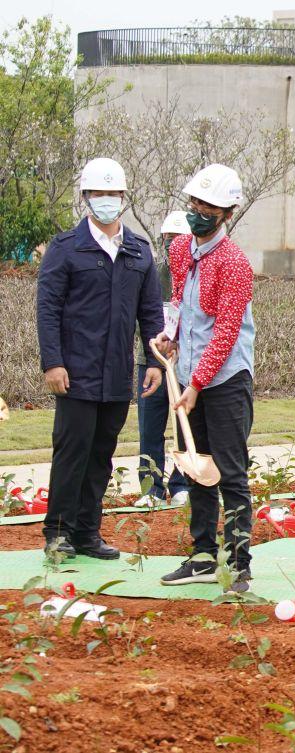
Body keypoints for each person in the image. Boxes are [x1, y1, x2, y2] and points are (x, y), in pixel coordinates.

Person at [37, 157, 164, 559]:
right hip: (74, 372)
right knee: (72, 451)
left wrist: (156, 362)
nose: (106, 200)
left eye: (113, 193)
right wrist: (52, 362)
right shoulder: (65, 249)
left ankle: (87, 534)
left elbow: (151, 314)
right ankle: (57, 533)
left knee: (101, 456)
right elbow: (48, 309)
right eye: (98, 193)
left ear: (123, 198)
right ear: (86, 197)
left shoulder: (138, 252)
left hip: (115, 374)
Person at [156, 164, 257, 593]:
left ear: (227, 213)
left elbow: (226, 330)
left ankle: (238, 565)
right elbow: (180, 299)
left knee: (229, 471)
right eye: (195, 203)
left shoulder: (235, 263)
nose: (198, 212)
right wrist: (169, 334)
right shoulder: (181, 249)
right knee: (195, 465)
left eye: (208, 207)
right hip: (187, 373)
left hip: (226, 379)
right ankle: (201, 555)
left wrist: (196, 385)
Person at [134, 211, 192, 509]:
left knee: (184, 424)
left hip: (186, 363)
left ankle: (182, 483)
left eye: (179, 240)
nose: (173, 246)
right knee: (150, 425)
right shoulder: (152, 275)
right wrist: (154, 355)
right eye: (168, 240)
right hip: (151, 361)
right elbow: (143, 319)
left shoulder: (197, 275)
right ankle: (151, 487)